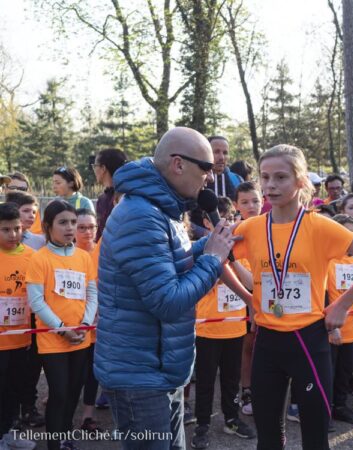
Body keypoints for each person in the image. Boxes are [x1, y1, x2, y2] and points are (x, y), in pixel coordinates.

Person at [232, 144, 353, 450]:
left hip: (308, 340)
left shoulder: (320, 226)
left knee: (316, 439)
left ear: (301, 181)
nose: (270, 185)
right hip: (266, 341)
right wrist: (248, 298)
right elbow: (217, 256)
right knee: (268, 439)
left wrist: (342, 304)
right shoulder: (251, 228)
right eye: (265, 177)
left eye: (281, 177)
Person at [94, 127, 242, 450]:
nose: (210, 177)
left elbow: (171, 260)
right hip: (140, 379)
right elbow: (168, 301)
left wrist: (210, 244)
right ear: (178, 164)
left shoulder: (161, 209)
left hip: (160, 371)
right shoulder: (141, 216)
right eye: (206, 167)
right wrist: (213, 259)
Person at [26, 200, 98, 450]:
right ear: (48, 226)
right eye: (63, 222)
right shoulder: (39, 259)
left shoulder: (84, 257)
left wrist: (85, 324)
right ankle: (54, 444)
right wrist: (61, 328)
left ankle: (65, 437)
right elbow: (36, 301)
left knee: (74, 391)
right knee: (59, 392)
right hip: (53, 340)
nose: (70, 228)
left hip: (81, 337)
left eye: (73, 222)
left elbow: (91, 294)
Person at [192, 212, 256, 449]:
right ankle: (202, 424)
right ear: (208, 224)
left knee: (231, 379)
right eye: (220, 221)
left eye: (230, 220)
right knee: (206, 381)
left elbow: (250, 283)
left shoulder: (242, 255)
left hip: (235, 328)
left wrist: (233, 259)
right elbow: (203, 283)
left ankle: (231, 418)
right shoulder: (203, 252)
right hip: (208, 329)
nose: (227, 226)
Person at [0, 203, 37, 450]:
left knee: (15, 388)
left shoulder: (31, 257)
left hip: (22, 340)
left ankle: (9, 432)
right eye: (5, 230)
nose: (13, 234)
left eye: (17, 229)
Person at [326, 214, 353, 425]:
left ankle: (340, 406)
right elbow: (322, 297)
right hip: (331, 330)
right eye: (350, 233)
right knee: (328, 372)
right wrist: (331, 328)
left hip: (352, 329)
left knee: (344, 371)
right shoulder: (327, 261)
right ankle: (324, 409)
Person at [232, 182, 263, 417]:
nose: (251, 206)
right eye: (245, 202)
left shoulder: (271, 227)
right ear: (236, 205)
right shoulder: (234, 233)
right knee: (248, 345)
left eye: (255, 201)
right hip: (238, 297)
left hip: (268, 295)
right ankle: (247, 389)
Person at [73, 209, 104, 436]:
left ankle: (87, 415)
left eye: (91, 227)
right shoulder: (67, 254)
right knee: (74, 372)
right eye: (81, 227)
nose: (87, 232)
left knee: (93, 369)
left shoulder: (103, 251)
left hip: (99, 322)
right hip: (73, 324)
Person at [91, 148, 128, 240]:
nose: (94, 169)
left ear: (103, 168)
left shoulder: (125, 197)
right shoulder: (102, 198)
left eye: (95, 166)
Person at [6, 171, 44, 236]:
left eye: (23, 189)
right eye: (13, 188)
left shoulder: (32, 212)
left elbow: (37, 234)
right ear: (5, 189)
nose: (18, 191)